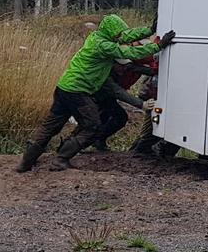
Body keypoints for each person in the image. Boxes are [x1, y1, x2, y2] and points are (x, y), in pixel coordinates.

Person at [15, 15, 174, 173]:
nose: (121, 36)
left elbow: (125, 36)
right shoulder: (104, 45)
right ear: (111, 32)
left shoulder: (99, 37)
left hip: (64, 87)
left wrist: (149, 30)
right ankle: (60, 159)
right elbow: (129, 52)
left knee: (50, 126)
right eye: (118, 34)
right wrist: (159, 46)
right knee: (92, 126)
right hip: (78, 91)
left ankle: (26, 162)